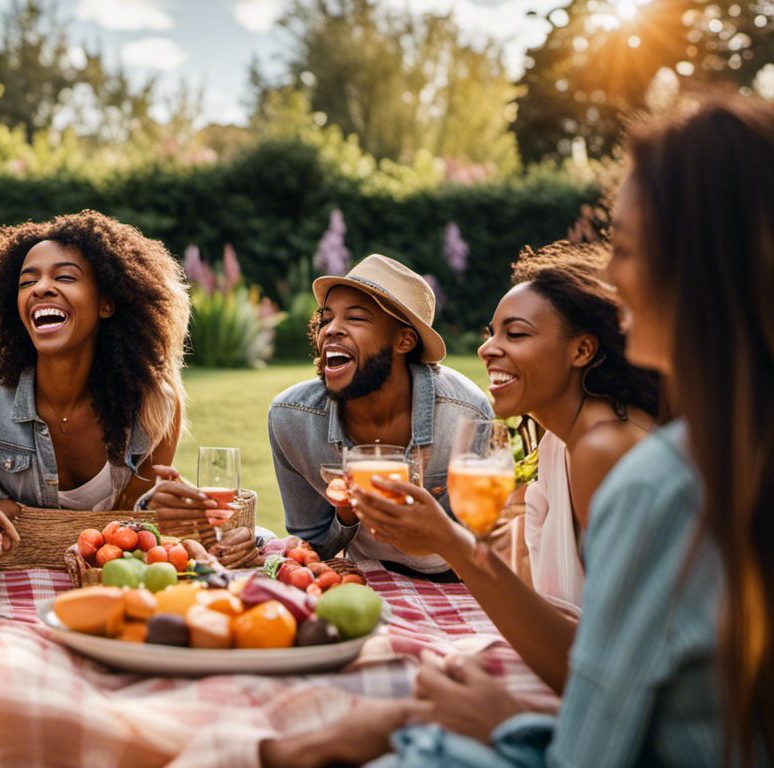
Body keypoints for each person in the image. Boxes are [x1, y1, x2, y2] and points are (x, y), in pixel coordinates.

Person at [264, 94, 773, 768]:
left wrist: (490, 724)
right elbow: (605, 646)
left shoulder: (648, 478)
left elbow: (591, 748)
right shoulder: (673, 451)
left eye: (624, 248)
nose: (613, 279)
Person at [351, 241, 661, 692]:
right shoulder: (560, 439)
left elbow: (608, 672)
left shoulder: (604, 449)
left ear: (582, 350)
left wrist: (448, 541)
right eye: (490, 333)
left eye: (514, 334)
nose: (486, 349)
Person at [0, 211, 188, 551]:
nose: (41, 288)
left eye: (64, 277)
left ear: (106, 303)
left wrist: (172, 512)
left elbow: (128, 530)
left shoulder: (153, 404)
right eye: (27, 282)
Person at [266, 253, 493, 578]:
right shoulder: (292, 419)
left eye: (356, 319)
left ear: (404, 340)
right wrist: (345, 514)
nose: (332, 330)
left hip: (459, 582)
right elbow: (311, 549)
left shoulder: (465, 415)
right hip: (369, 578)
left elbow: (486, 542)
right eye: (326, 319)